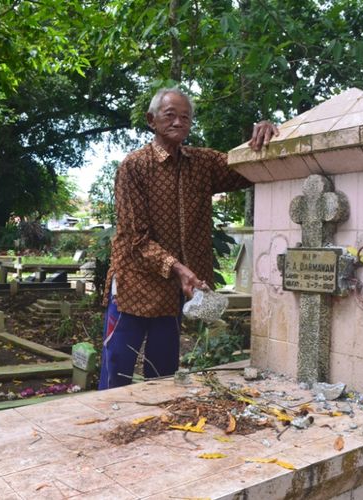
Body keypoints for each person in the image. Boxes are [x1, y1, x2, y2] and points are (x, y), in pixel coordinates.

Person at [98, 87, 278, 390]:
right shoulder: (135, 166)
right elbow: (135, 238)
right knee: (117, 368)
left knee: (164, 372)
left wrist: (268, 136)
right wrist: (179, 268)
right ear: (151, 120)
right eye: (170, 115)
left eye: (186, 117)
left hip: (173, 290)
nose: (179, 122)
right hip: (134, 285)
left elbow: (247, 167)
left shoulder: (202, 163)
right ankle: (106, 428)